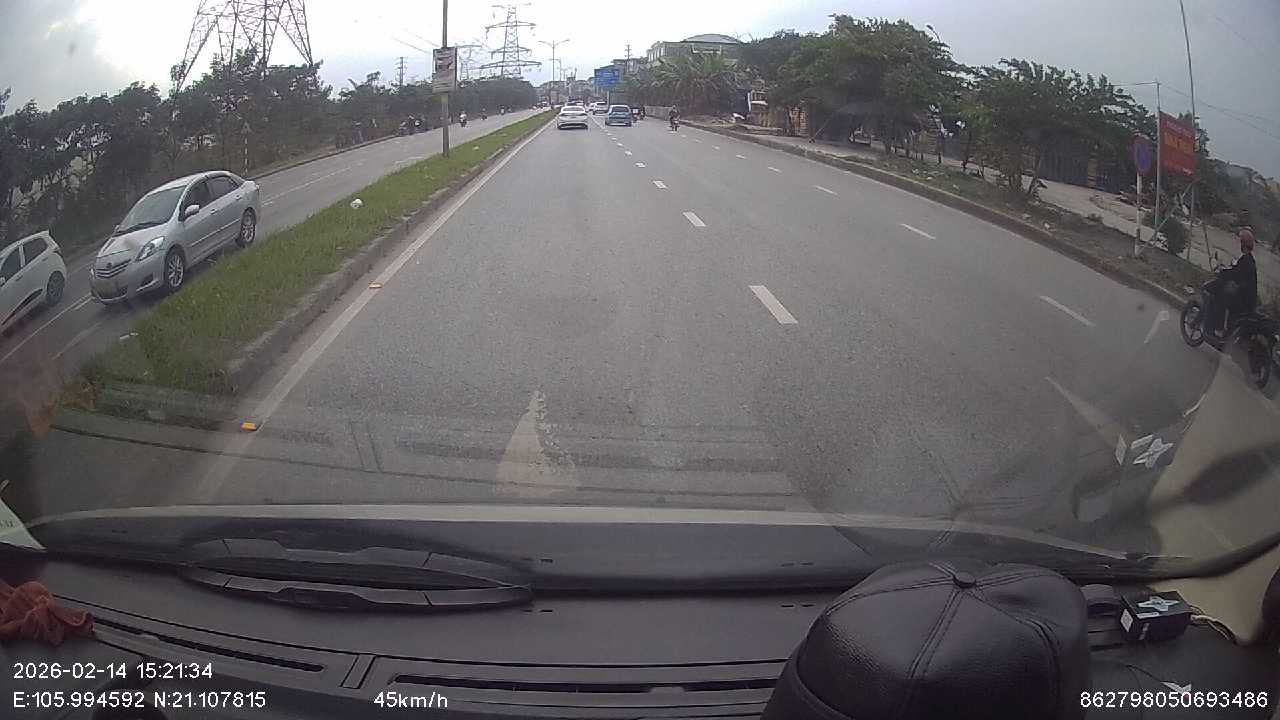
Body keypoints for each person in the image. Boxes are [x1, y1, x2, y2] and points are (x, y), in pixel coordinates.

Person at [1205, 228, 1258, 345]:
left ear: (1243, 244)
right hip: (1247, 298)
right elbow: (1236, 271)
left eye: (1240, 241)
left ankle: (1219, 329)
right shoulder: (1248, 259)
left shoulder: (1246, 261)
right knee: (1226, 293)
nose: (1238, 244)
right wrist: (1226, 270)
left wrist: (1221, 272)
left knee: (1221, 297)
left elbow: (1235, 274)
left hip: (1245, 300)